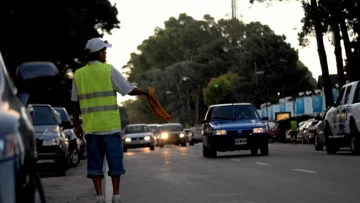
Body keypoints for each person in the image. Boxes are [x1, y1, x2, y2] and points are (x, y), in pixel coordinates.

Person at [71, 38, 150, 203]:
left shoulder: (78, 74)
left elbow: (74, 102)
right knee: (115, 163)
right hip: (110, 127)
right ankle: (115, 195)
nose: (105, 54)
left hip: (91, 129)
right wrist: (146, 91)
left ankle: (99, 196)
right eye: (104, 51)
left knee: (94, 164)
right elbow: (128, 89)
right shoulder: (109, 70)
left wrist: (77, 125)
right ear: (98, 53)